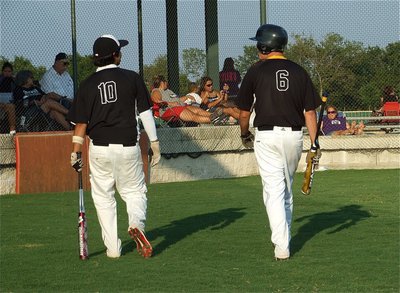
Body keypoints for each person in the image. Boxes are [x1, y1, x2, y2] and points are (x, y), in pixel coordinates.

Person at [67, 34, 161, 259]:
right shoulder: (132, 78)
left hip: (99, 149)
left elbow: (80, 124)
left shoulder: (87, 84)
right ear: (116, 55)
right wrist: (155, 143)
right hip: (128, 147)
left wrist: (75, 153)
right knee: (135, 192)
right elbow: (146, 113)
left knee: (103, 198)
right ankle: (136, 223)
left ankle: (113, 249)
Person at [237, 24, 322, 261]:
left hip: (267, 136)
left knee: (273, 191)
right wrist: (315, 143)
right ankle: (284, 239)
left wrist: (244, 135)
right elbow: (310, 113)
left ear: (264, 46)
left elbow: (244, 113)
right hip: (294, 137)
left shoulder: (255, 71)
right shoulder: (300, 71)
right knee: (286, 190)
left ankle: (281, 244)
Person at [151, 75, 222, 125]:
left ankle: (215, 116)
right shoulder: (156, 91)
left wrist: (187, 96)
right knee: (192, 116)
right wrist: (171, 104)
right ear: (162, 82)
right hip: (169, 110)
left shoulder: (168, 90)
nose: (167, 83)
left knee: (197, 110)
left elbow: (178, 99)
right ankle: (212, 119)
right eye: (165, 81)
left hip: (180, 106)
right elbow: (156, 100)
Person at [0, 62, 16, 134]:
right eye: (5, 71)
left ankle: (12, 130)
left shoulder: (14, 81)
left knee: (10, 106)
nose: (7, 73)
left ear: (12, 72)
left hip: (9, 103)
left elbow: (17, 94)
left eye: (9, 71)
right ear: (2, 72)